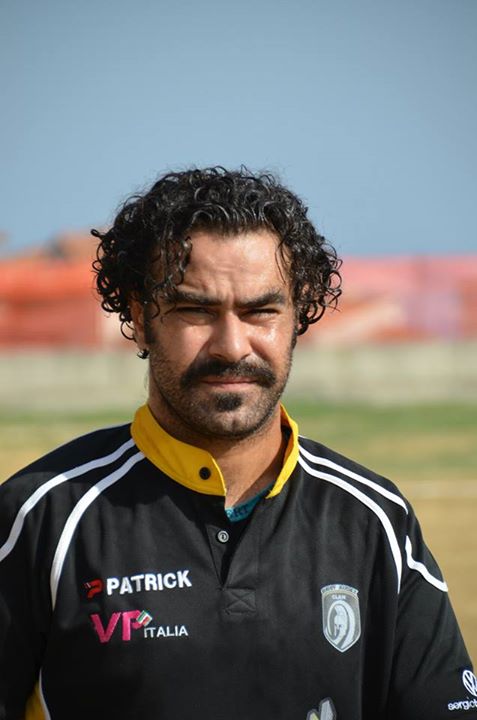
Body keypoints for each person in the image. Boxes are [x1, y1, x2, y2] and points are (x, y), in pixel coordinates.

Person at [0, 167, 475, 720]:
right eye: (196, 311)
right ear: (140, 316)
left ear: (300, 312)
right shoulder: (41, 519)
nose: (232, 345)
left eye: (260, 311)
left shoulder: (375, 523)